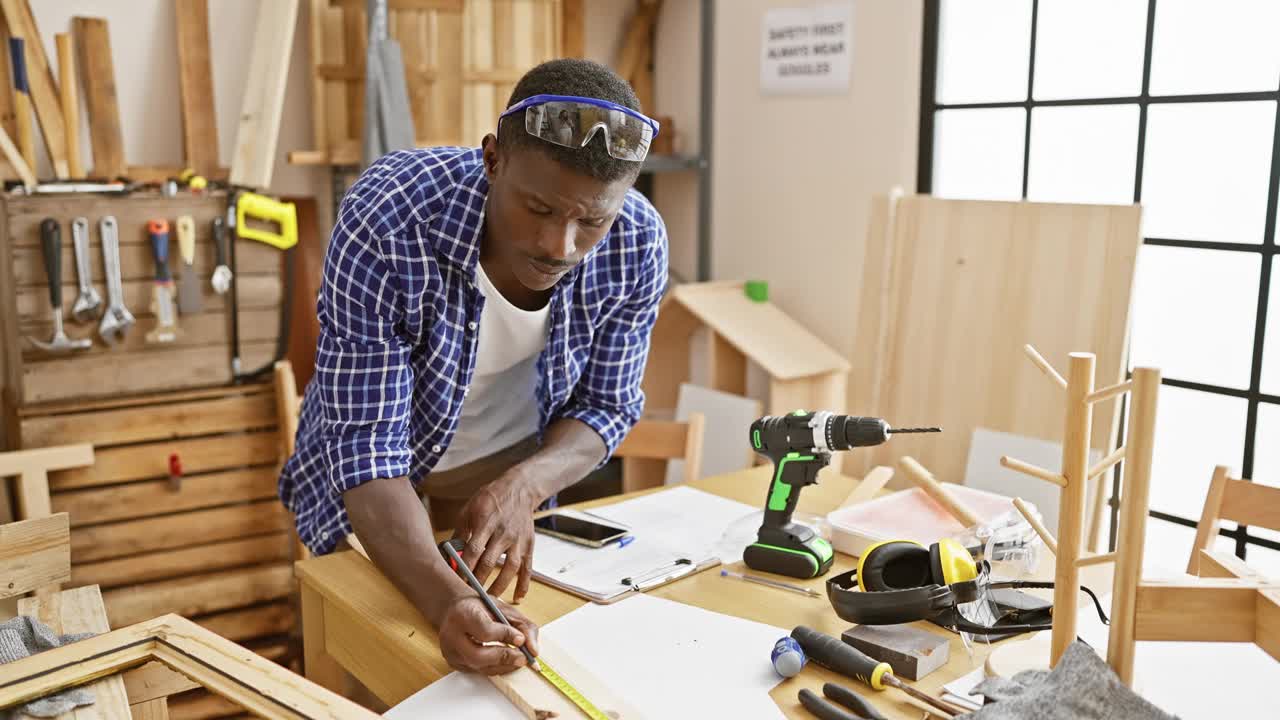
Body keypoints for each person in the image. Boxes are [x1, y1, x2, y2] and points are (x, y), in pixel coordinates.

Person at [278, 58, 667, 677]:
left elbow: (605, 407)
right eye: (537, 208)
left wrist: (523, 485)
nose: (559, 246)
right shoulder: (390, 215)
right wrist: (446, 598)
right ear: (493, 160)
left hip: (502, 470)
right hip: (378, 476)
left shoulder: (637, 241)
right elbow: (368, 447)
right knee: (368, 661)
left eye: (591, 220)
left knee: (477, 678)